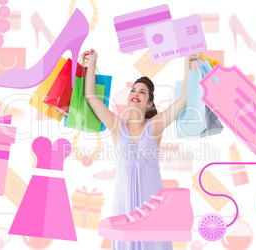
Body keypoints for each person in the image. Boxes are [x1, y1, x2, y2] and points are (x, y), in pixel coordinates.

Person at [84, 48, 197, 250]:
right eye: (133, 90)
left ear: (149, 102)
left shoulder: (154, 125)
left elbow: (183, 100)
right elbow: (91, 96)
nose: (136, 93)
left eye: (142, 92)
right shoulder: (116, 125)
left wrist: (188, 62)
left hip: (152, 204)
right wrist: (93, 61)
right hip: (123, 202)